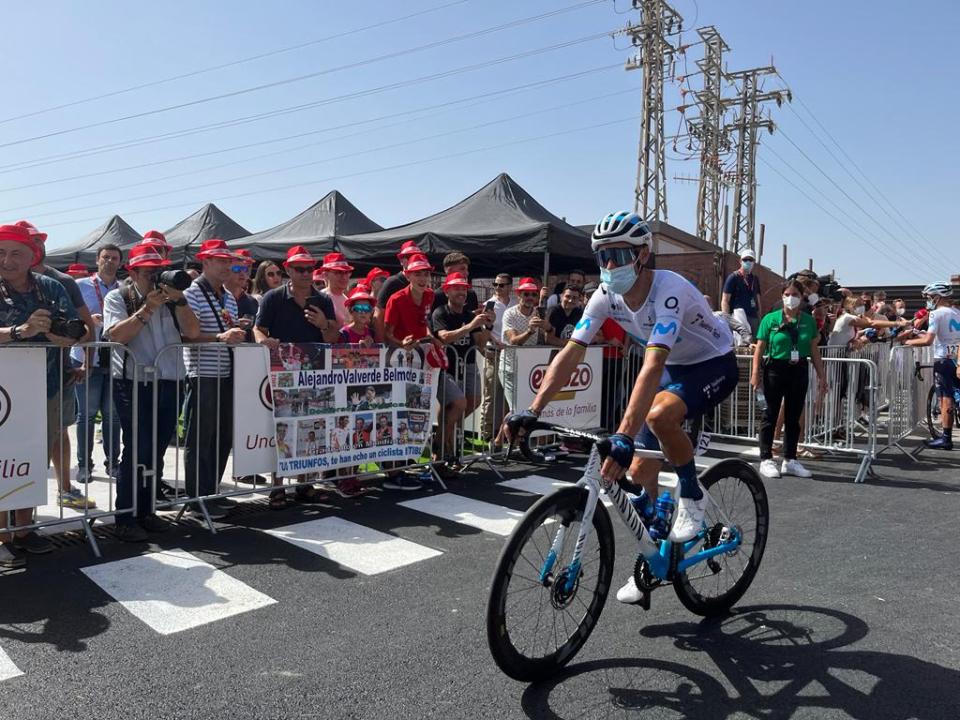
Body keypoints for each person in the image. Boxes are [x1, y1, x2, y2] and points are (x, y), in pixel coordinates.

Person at [504, 211, 738, 606]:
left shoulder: (669, 290)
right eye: (602, 257)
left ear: (643, 254)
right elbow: (570, 354)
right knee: (639, 470)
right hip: (675, 367)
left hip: (712, 362)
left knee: (658, 416)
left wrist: (624, 435)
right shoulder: (604, 295)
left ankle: (693, 499)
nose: (609, 265)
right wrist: (532, 408)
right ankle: (652, 558)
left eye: (618, 255)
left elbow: (652, 365)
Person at [102, 244, 200, 541]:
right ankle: (125, 516)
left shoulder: (173, 300)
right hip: (133, 382)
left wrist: (180, 300)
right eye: (150, 272)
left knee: (157, 448)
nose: (158, 277)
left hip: (169, 380)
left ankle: (147, 511)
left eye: (160, 271)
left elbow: (193, 333)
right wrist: (148, 307)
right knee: (136, 448)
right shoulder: (118, 296)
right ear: (133, 272)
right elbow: (116, 335)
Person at [0, 224, 79, 564]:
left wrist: (65, 337)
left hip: (44, 387)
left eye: (16, 253)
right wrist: (22, 331)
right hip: (3, 392)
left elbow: (78, 329)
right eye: (1, 253)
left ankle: (23, 529)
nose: (7, 260)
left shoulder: (50, 287)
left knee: (32, 457)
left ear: (32, 256)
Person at [18, 220, 96, 510]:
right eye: (29, 241)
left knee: (58, 432)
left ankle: (62, 489)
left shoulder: (60, 282)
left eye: (38, 241)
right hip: (10, 381)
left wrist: (85, 361)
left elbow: (87, 328)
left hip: (55, 375)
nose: (36, 246)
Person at [255, 245, 339, 507]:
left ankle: (304, 483)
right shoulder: (273, 297)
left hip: (314, 372)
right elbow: (259, 329)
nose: (305, 273)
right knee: (281, 426)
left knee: (310, 425)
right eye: (300, 269)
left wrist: (324, 324)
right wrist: (264, 341)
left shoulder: (323, 300)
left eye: (309, 268)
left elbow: (333, 337)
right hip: (281, 371)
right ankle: (277, 487)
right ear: (288, 270)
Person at [179, 239, 248, 520]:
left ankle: (210, 491)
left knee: (222, 436)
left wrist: (235, 330)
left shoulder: (229, 296)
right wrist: (222, 336)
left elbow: (223, 330)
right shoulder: (191, 293)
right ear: (205, 262)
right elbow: (187, 335)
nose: (225, 265)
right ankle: (197, 499)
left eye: (226, 260)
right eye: (219, 260)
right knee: (200, 437)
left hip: (225, 371)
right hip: (202, 372)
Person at [751, 280, 829, 480]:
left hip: (799, 369)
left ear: (802, 296)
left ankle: (790, 459)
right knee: (770, 415)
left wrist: (821, 376)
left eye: (795, 294)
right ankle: (766, 458)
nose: (790, 298)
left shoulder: (808, 321)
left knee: (793, 418)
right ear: (782, 296)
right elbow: (759, 348)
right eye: (787, 294)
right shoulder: (770, 319)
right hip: (775, 369)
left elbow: (813, 350)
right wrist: (755, 374)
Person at [382, 253, 443, 491]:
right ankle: (393, 471)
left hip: (422, 361)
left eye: (426, 273)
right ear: (407, 274)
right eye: (418, 273)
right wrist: (401, 343)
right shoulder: (396, 299)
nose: (423, 277)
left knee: (419, 410)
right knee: (398, 412)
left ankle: (407, 463)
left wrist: (431, 339)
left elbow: (424, 323)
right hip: (399, 362)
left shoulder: (430, 295)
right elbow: (387, 332)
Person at [432, 271, 494, 475]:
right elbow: (444, 338)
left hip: (467, 364)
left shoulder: (469, 315)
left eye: (464, 288)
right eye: (457, 288)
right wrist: (471, 325)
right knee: (459, 403)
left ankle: (443, 435)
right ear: (447, 291)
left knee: (473, 401)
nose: (461, 292)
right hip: (446, 367)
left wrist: (487, 324)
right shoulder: (440, 312)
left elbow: (480, 343)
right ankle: (444, 450)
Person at [73, 244, 123, 484]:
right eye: (106, 257)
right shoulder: (81, 286)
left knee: (113, 416)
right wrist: (87, 322)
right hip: (87, 358)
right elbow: (67, 318)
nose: (110, 261)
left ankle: (113, 463)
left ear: (120, 263)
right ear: (97, 259)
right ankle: (84, 465)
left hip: (114, 359)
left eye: (114, 258)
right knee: (87, 415)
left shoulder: (124, 289)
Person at [906, 282, 960, 450]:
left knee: (946, 400)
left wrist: (908, 341)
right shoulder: (958, 312)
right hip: (956, 357)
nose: (928, 301)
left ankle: (946, 438)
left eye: (929, 297)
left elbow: (927, 340)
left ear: (937, 297)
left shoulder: (936, 314)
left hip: (943, 359)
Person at [479, 273, 515, 445]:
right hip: (494, 353)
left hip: (510, 355)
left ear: (510, 286)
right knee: (491, 394)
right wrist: (494, 342)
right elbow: (484, 329)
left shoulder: (516, 304)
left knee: (509, 396)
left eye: (501, 285)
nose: (497, 288)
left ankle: (505, 430)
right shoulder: (489, 305)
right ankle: (486, 432)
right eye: (495, 284)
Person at [501, 277, 546, 413]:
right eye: (526, 294)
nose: (530, 297)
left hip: (529, 369)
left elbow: (546, 339)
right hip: (510, 368)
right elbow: (514, 341)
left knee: (525, 411)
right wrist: (530, 331)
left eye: (533, 294)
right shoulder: (510, 313)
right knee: (516, 410)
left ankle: (499, 436)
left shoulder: (538, 313)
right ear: (519, 294)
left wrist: (548, 328)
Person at [374, 239, 421, 342]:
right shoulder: (392, 283)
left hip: (416, 344)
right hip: (396, 345)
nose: (412, 259)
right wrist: (385, 343)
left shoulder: (423, 284)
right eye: (408, 257)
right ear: (401, 260)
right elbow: (378, 316)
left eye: (415, 256)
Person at [721, 249, 762, 339]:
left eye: (750, 260)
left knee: (754, 343)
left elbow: (758, 300)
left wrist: (760, 319)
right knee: (740, 344)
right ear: (740, 261)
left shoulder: (755, 279)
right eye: (745, 260)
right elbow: (725, 300)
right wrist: (727, 320)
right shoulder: (733, 277)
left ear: (754, 262)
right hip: (738, 317)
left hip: (753, 317)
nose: (748, 262)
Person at [319, 252, 353, 327]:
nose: (344, 277)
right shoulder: (320, 299)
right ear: (326, 275)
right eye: (338, 272)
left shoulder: (347, 300)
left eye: (346, 272)